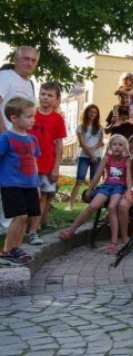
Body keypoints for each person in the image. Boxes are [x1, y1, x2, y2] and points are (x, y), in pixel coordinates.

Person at [59, 135, 130, 254]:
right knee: (92, 206)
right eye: (114, 144)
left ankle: (113, 243)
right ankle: (71, 230)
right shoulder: (107, 158)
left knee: (112, 207)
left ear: (124, 147)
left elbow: (128, 178)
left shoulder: (127, 160)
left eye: (120, 145)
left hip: (119, 188)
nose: (117, 147)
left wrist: (128, 191)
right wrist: (89, 189)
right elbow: (97, 175)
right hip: (107, 187)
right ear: (110, 146)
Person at [0, 46, 39, 231]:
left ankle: (8, 227)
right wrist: (3, 133)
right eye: (25, 58)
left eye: (33, 60)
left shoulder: (30, 83)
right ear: (16, 60)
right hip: (6, 140)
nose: (29, 62)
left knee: (13, 182)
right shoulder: (6, 76)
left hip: (21, 142)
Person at [0, 98, 41, 266]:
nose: (33, 119)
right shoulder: (6, 138)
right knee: (20, 216)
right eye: (29, 116)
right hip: (11, 184)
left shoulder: (32, 139)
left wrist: (37, 184)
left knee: (26, 218)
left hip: (30, 184)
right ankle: (6, 251)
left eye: (33, 116)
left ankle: (16, 248)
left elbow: (34, 161)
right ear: (14, 118)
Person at [27, 82, 67, 246]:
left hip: (46, 165)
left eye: (50, 95)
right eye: (43, 94)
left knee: (42, 197)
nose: (45, 97)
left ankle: (33, 232)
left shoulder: (58, 119)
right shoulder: (30, 114)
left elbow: (59, 144)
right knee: (26, 197)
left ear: (57, 99)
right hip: (27, 164)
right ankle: (20, 227)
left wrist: (56, 167)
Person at [68, 104, 104, 210]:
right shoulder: (81, 127)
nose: (92, 114)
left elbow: (101, 142)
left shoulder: (100, 128)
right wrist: (91, 153)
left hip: (96, 157)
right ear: (86, 113)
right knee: (79, 180)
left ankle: (92, 205)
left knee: (94, 181)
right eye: (90, 112)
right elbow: (82, 144)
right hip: (84, 156)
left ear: (97, 115)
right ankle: (71, 205)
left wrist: (93, 152)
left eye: (95, 112)